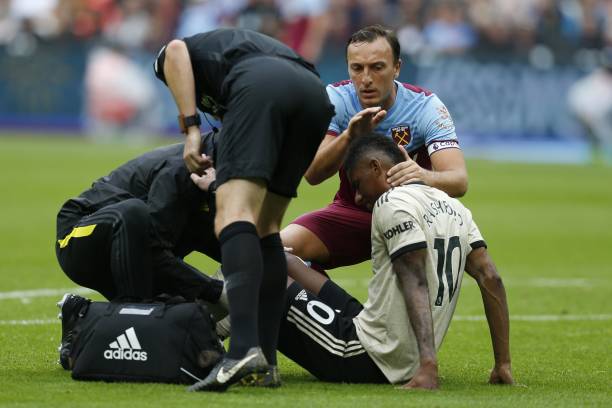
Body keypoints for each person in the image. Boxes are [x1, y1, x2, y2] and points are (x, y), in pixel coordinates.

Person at [154, 28, 334, 391]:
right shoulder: (233, 50)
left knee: (232, 216)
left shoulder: (184, 57)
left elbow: (172, 50)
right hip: (314, 95)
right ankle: (265, 362)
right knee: (267, 227)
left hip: (262, 84)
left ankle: (240, 352)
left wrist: (190, 129)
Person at [275, 134, 512, 388]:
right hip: (385, 342)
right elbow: (491, 278)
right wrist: (503, 364)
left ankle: (236, 346)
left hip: (363, 355)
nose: (356, 197)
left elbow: (415, 280)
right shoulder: (453, 206)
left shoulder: (391, 203)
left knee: (262, 273)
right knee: (280, 259)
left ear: (375, 167)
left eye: (357, 184)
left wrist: (429, 366)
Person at [281, 25, 468, 272]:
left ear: (397, 68)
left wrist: (423, 176)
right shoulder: (336, 100)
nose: (366, 79)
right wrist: (350, 136)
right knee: (278, 249)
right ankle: (337, 309)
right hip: (354, 212)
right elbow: (313, 175)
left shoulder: (425, 107)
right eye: (357, 68)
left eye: (377, 67)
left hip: (413, 216)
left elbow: (458, 181)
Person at [55, 133, 222, 303]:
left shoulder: (222, 183)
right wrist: (216, 291)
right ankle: (131, 313)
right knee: (133, 213)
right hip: (79, 233)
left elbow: (237, 250)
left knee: (186, 318)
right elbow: (151, 248)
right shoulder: (183, 170)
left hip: (133, 256)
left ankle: (130, 316)